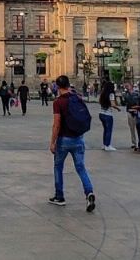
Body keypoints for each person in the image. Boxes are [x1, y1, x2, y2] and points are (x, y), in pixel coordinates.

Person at [48, 75, 95, 212]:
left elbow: (56, 124)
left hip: (64, 140)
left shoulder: (58, 102)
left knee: (58, 167)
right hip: (78, 138)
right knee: (81, 168)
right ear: (69, 85)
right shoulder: (77, 98)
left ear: (57, 86)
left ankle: (59, 196)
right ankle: (89, 192)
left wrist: (52, 142)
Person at [97, 83, 119, 151]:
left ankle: (104, 144)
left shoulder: (103, 94)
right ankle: (107, 145)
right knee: (109, 130)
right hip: (108, 114)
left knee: (105, 130)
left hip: (101, 113)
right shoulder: (111, 94)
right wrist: (118, 108)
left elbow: (99, 102)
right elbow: (112, 104)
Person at [121, 84, 139, 149]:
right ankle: (134, 143)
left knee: (139, 128)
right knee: (132, 128)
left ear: (131, 86)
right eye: (125, 86)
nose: (126, 87)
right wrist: (122, 98)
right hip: (129, 111)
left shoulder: (136, 93)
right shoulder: (125, 94)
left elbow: (138, 102)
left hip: (136, 111)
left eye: (127, 86)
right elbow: (123, 103)